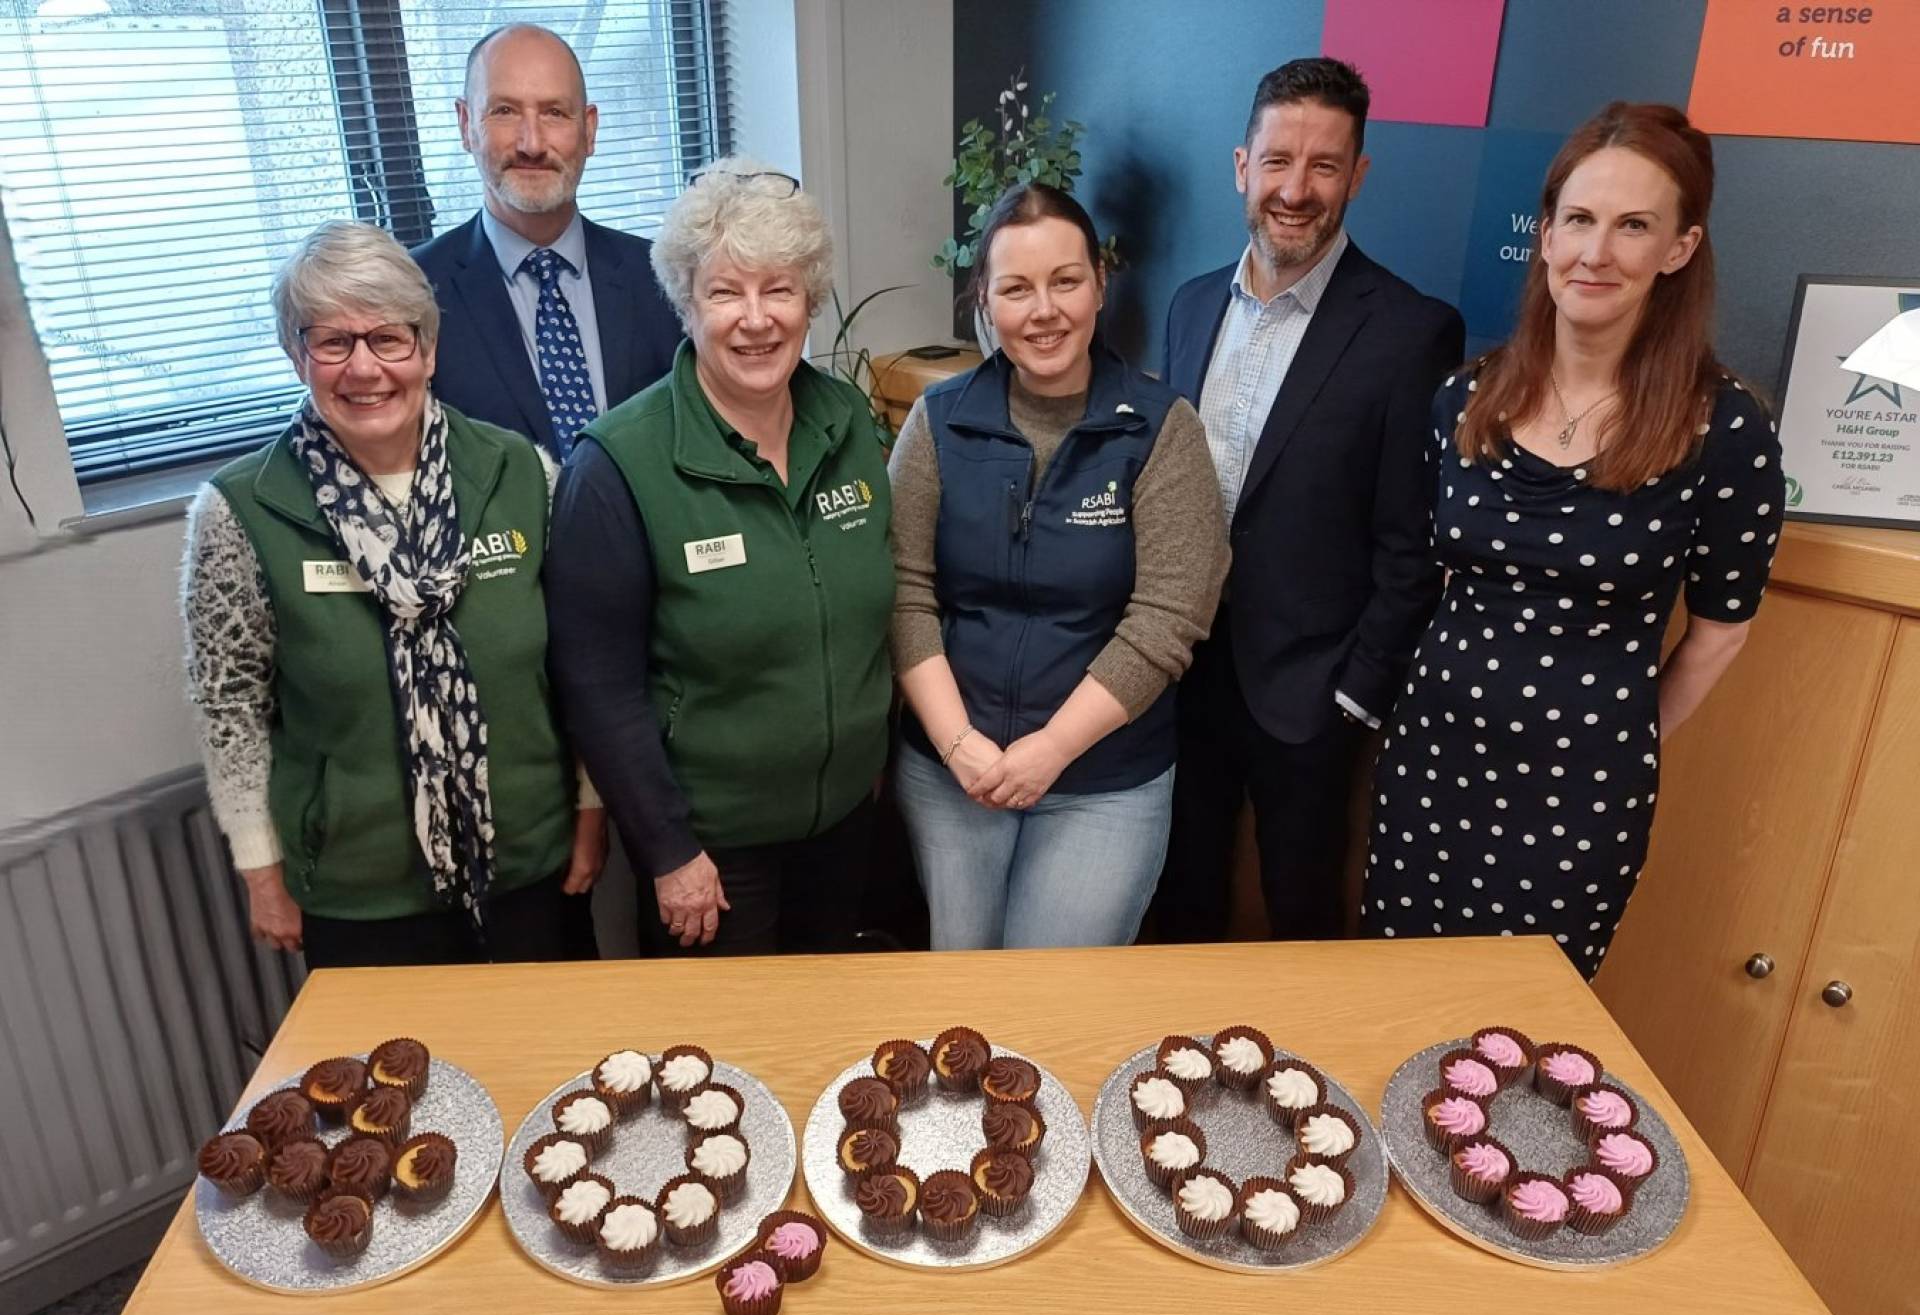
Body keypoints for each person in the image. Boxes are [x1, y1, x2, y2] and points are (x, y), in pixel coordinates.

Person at [1361, 102, 1784, 980]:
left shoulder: (1724, 428)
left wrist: (1615, 735)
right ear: (1546, 234)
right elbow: (1426, 574)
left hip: (1580, 797)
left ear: (1679, 249)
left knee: (1520, 1031)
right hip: (1430, 761)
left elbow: (1721, 631)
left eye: (1634, 226)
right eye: (1580, 220)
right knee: (1393, 999)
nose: (1596, 252)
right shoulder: (1465, 399)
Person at [181, 221, 606, 967]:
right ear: (297, 355)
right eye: (332, 342)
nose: (364, 368)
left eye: (388, 338)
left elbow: (582, 659)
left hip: (529, 865)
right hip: (360, 891)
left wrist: (591, 809)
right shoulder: (241, 511)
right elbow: (229, 706)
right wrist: (260, 870)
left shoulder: (520, 473)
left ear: (428, 350)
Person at [544, 159, 895, 957]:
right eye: (726, 291)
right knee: (729, 1038)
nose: (756, 319)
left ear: (810, 300)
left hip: (844, 822)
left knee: (833, 1023)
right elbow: (598, 688)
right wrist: (668, 851)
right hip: (711, 851)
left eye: (780, 290)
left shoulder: (847, 421)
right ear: (687, 303)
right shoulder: (618, 465)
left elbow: (875, 605)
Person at [1155, 58, 1464, 943]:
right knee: (1178, 905)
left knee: (1302, 918)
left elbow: (1413, 544)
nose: (1296, 190)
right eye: (1278, 160)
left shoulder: (1410, 331)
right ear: (1241, 166)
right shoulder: (1187, 307)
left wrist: (1354, 698)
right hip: (1177, 672)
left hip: (1308, 698)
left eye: (1324, 165)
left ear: (1357, 176)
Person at [889, 183, 1229, 951]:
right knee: (961, 986)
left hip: (1103, 779)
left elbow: (1168, 619)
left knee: (1051, 997)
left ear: (1100, 285)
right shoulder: (937, 423)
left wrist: (1050, 750)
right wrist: (959, 745)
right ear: (984, 299)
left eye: (1065, 281)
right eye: (1016, 288)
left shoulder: (1161, 430)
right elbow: (905, 594)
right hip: (955, 770)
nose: (1043, 311)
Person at [412, 23, 680, 459]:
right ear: (466, 124)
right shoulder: (414, 293)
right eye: (504, 111)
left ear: (589, 130)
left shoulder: (663, 277)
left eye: (555, 113)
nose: (532, 143)